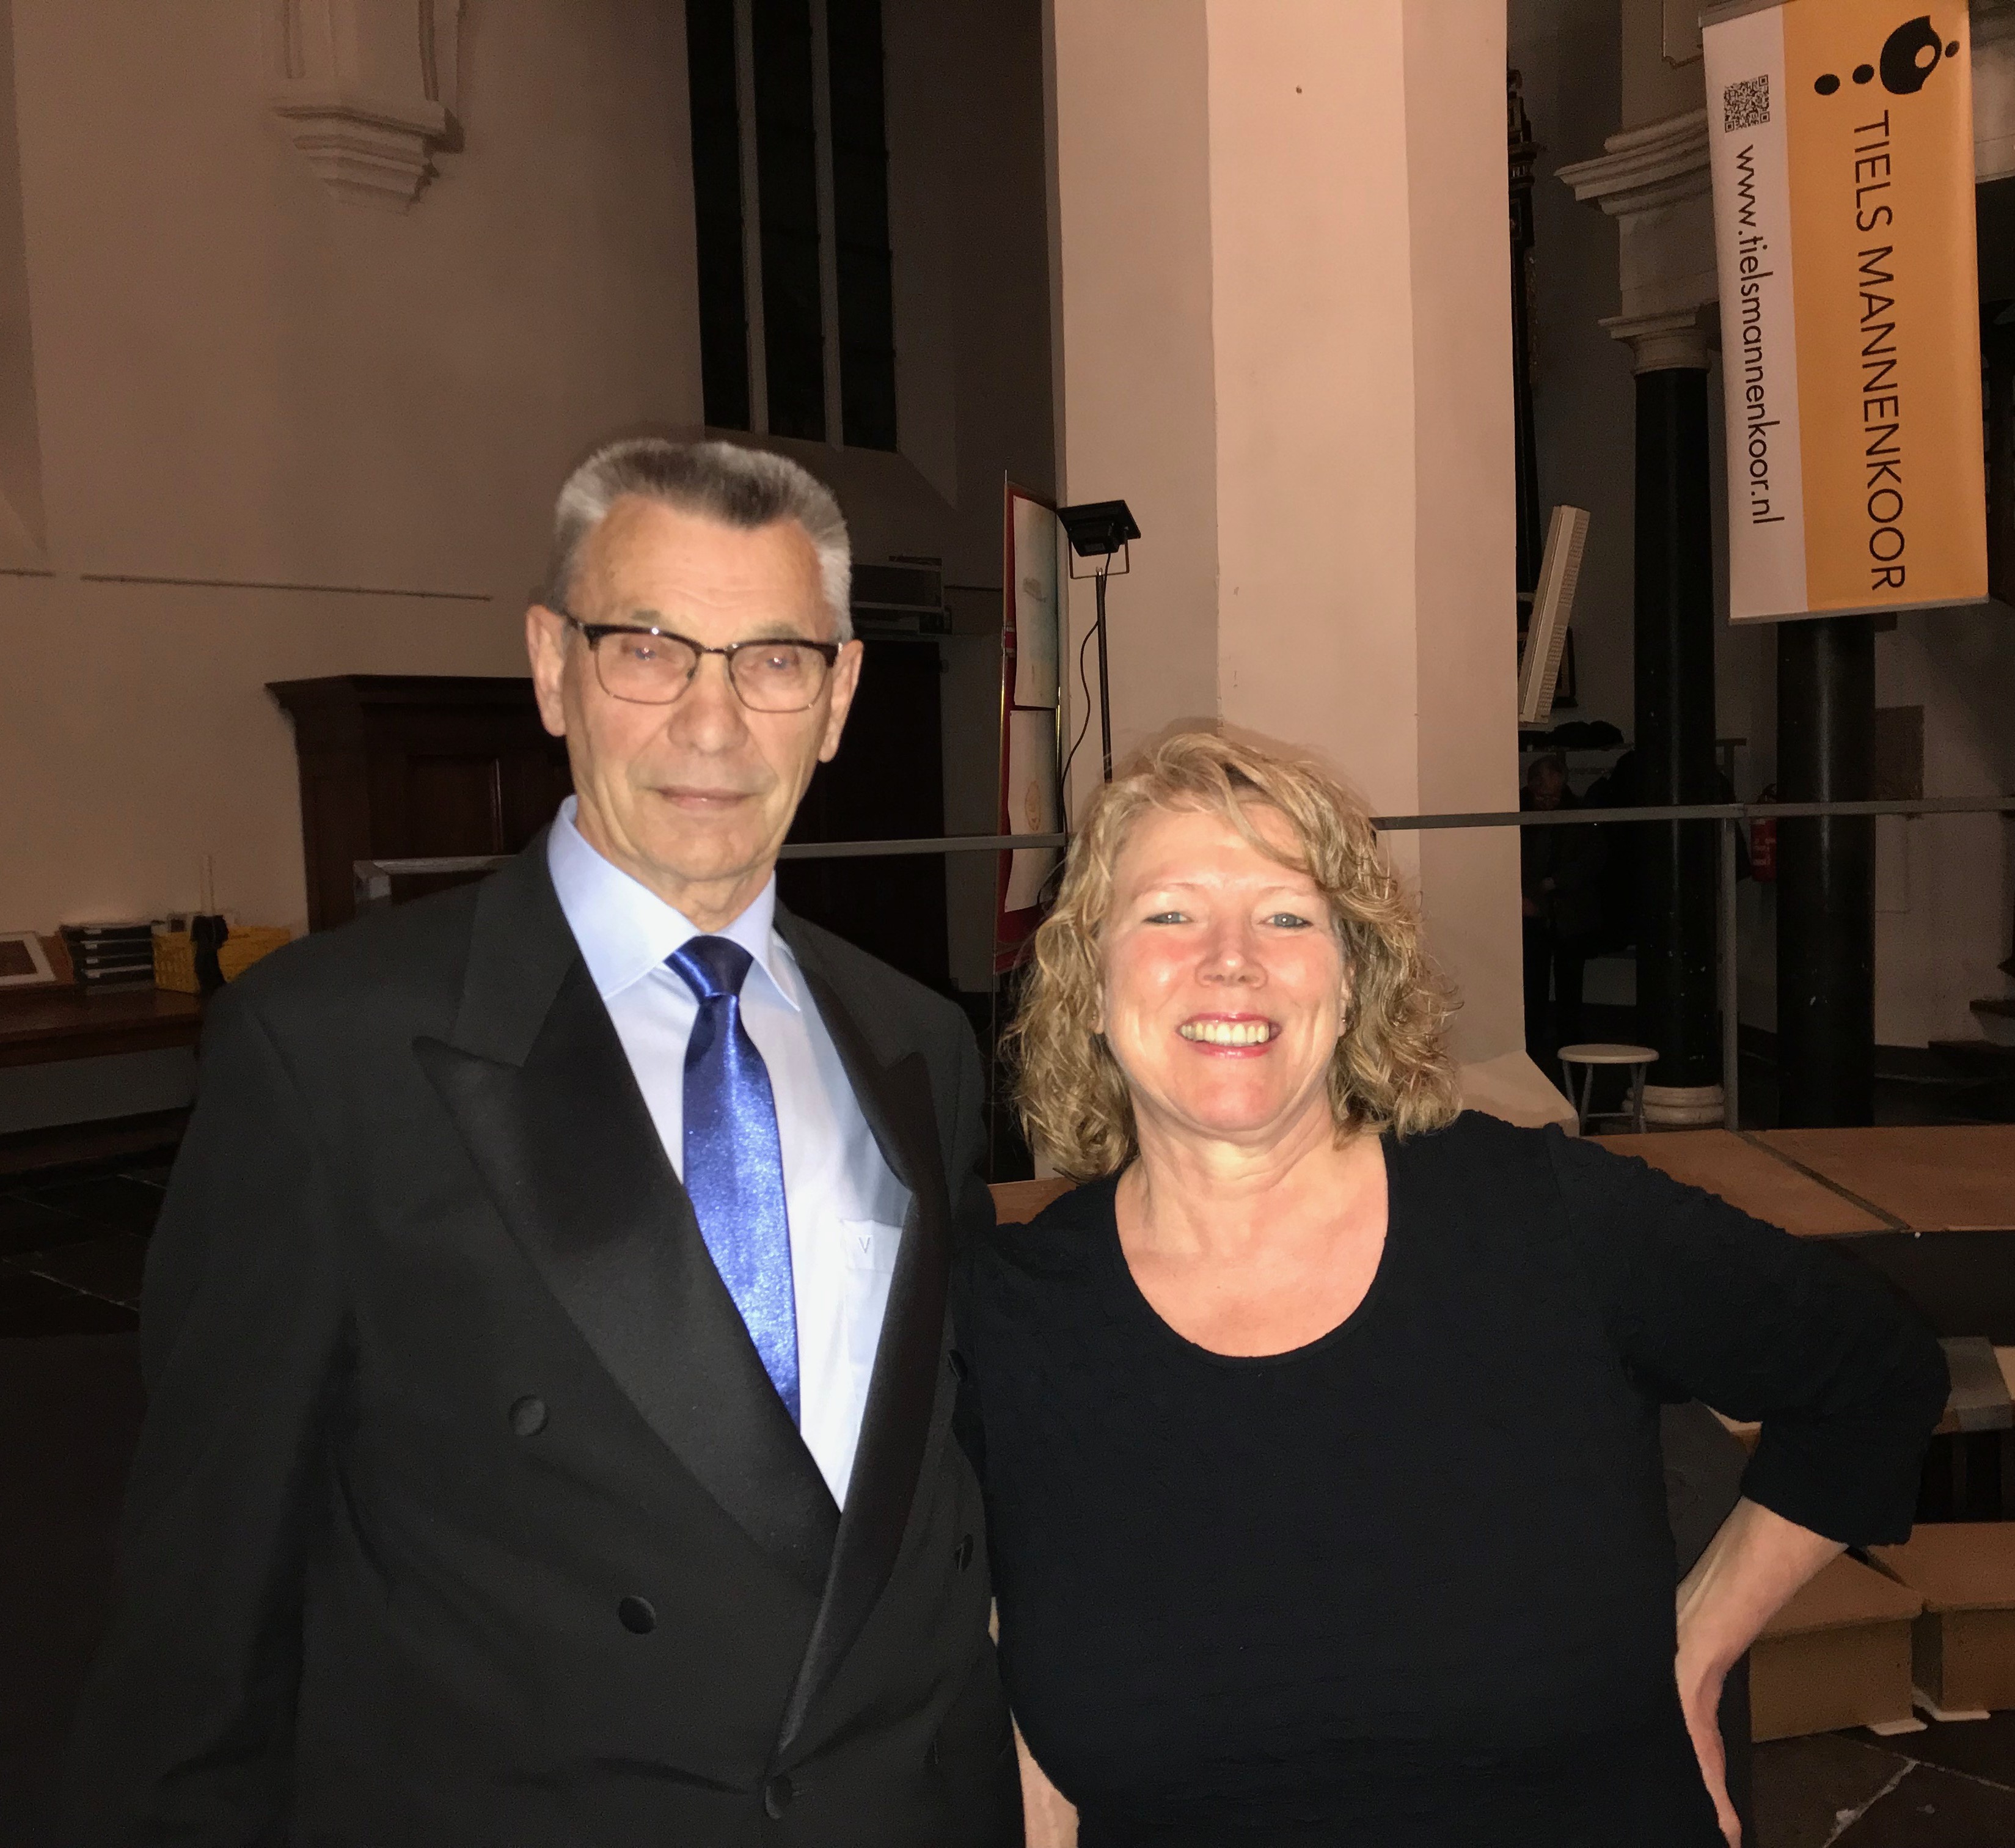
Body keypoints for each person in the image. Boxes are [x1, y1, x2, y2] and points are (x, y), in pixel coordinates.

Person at [67, 439, 1023, 1846]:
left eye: (772, 660)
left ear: (837, 699)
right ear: (552, 668)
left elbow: (929, 1500)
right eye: (649, 650)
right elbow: (199, 1625)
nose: (712, 723)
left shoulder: (916, 1042)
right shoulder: (330, 1051)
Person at [957, 732, 1946, 1848]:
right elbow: (966, 1612)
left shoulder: (1546, 1216)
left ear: (1353, 979)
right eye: (1170, 912)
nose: (1230, 959)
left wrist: (1698, 1648)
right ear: (1088, 981)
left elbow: (1874, 1372)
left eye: (1286, 916)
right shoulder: (1006, 1316)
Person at [1519, 750, 1603, 1063]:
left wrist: (1552, 883)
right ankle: (1537, 1048)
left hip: (1565, 913)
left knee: (1567, 988)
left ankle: (1565, 1047)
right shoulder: (1575, 813)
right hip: (1539, 910)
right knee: (1533, 988)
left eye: (1554, 795)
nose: (1549, 802)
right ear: (1531, 787)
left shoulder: (1576, 814)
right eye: (1543, 796)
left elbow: (1593, 861)